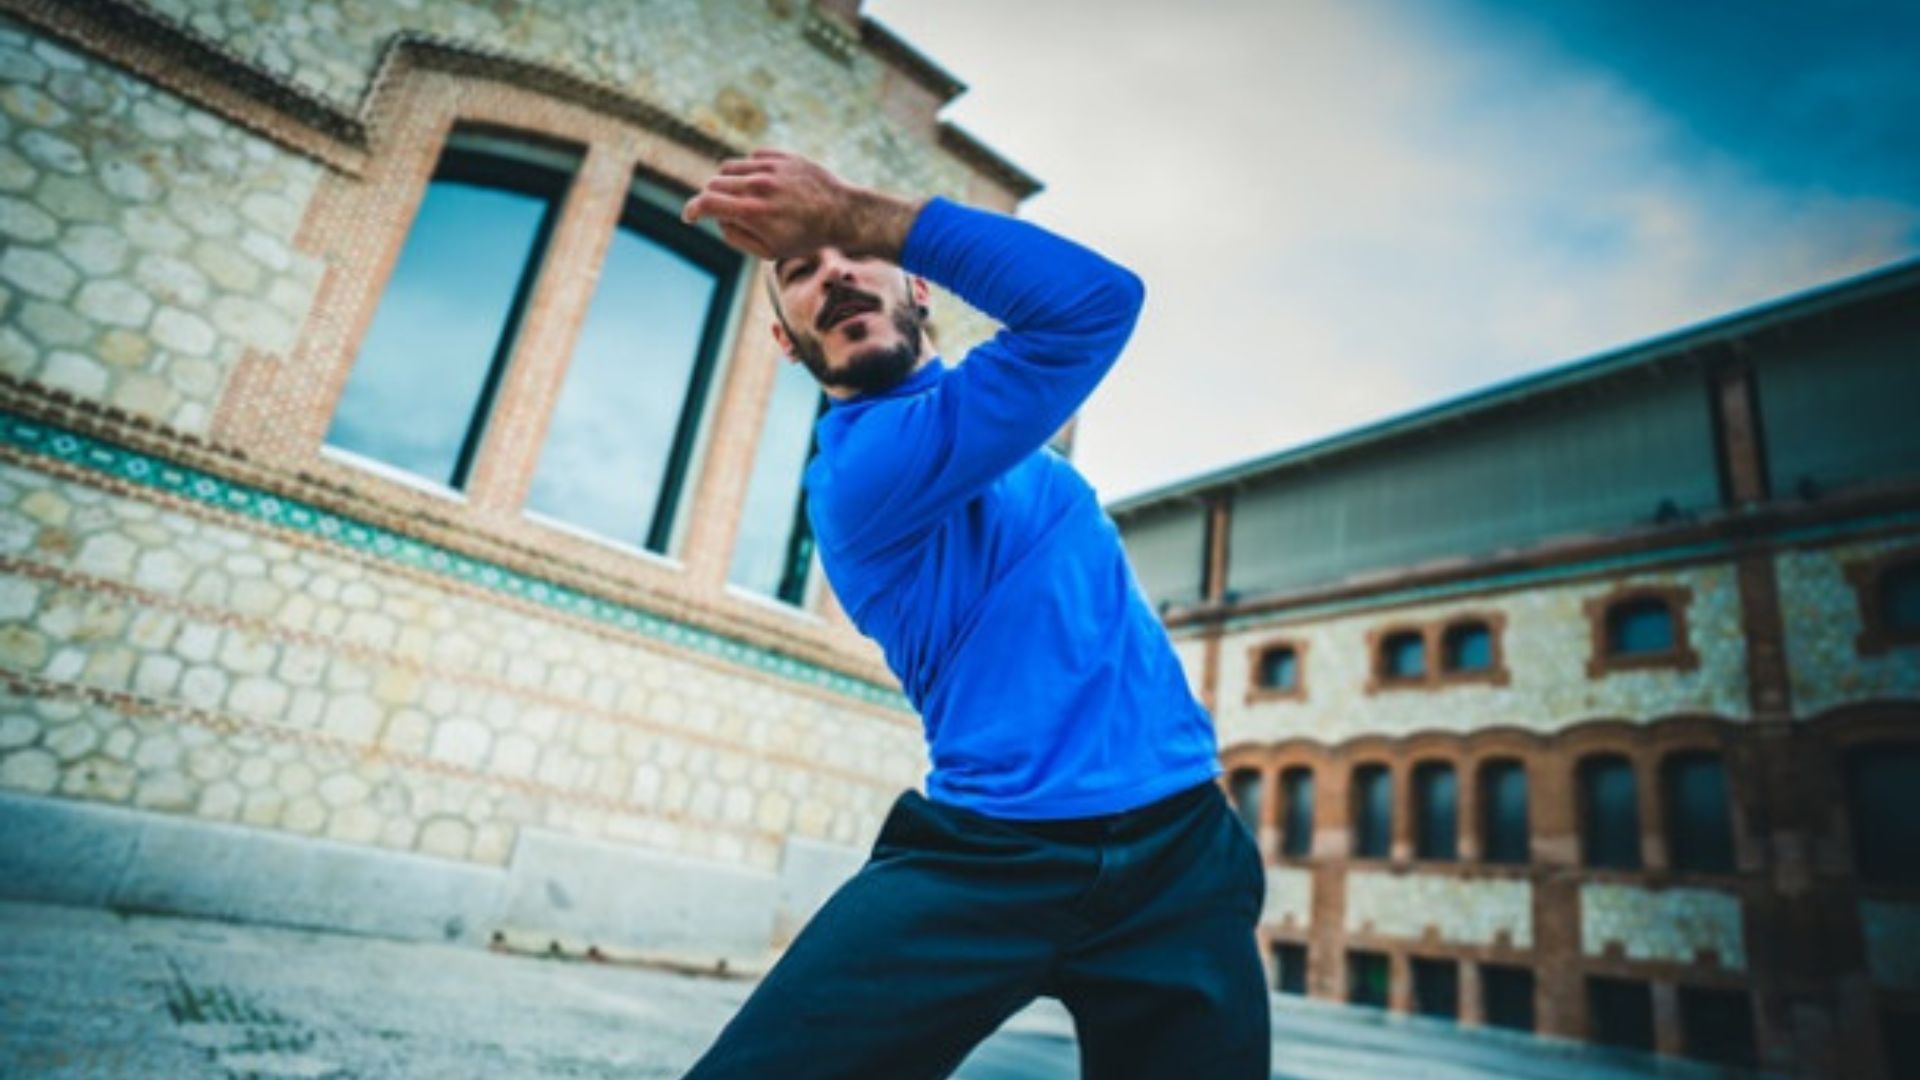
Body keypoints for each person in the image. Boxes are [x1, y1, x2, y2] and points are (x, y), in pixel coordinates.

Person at [678, 150, 1269, 1080]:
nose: (831, 271)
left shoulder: (1021, 446)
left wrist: (857, 215)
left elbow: (1086, 300)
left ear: (919, 287)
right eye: (798, 270)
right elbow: (1094, 306)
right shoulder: (863, 473)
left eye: (852, 253)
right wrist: (863, 218)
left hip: (1181, 856)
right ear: (788, 343)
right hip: (988, 859)